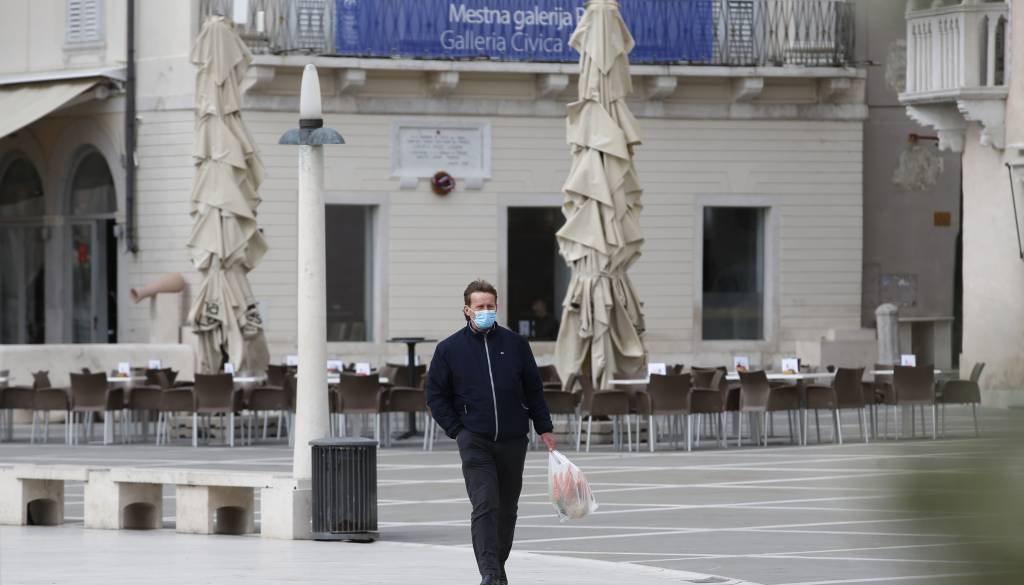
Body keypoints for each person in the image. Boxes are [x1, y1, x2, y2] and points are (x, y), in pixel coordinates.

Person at [426, 279, 556, 585]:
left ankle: (497, 566)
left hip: (513, 440)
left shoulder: (516, 344)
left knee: (507, 509)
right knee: (485, 504)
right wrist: (458, 431)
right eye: (480, 306)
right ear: (467, 310)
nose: (486, 311)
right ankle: (490, 573)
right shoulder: (449, 349)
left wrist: (544, 427)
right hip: (475, 440)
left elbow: (533, 389)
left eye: (491, 306)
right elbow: (435, 395)